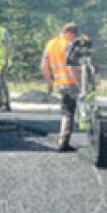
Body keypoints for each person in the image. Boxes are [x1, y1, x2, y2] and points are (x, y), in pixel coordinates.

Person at [40, 22, 82, 151]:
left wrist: (49, 82)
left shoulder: (51, 44)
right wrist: (80, 84)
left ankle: (63, 139)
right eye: (74, 35)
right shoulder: (69, 46)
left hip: (60, 83)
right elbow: (71, 67)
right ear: (70, 33)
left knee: (65, 111)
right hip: (71, 83)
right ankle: (64, 142)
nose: (75, 38)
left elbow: (43, 66)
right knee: (72, 112)